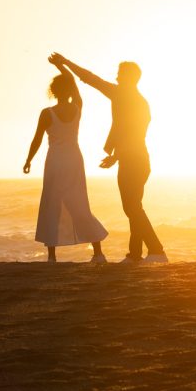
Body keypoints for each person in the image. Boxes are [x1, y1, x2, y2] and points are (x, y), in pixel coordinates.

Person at [49, 52, 167, 263]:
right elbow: (90, 79)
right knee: (134, 207)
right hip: (135, 159)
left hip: (134, 160)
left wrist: (66, 62)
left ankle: (156, 251)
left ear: (129, 78)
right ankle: (136, 255)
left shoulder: (125, 96)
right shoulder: (135, 99)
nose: (116, 77)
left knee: (132, 207)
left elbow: (90, 78)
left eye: (120, 74)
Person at [23, 61, 108, 263]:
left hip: (55, 161)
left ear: (53, 91)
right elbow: (74, 85)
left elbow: (37, 139)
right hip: (74, 159)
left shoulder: (47, 113)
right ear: (70, 90)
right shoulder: (77, 107)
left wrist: (28, 160)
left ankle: (52, 257)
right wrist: (61, 66)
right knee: (80, 204)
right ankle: (98, 253)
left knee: (52, 204)